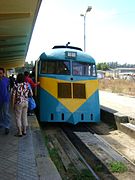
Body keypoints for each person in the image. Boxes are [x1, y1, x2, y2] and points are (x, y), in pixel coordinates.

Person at [0, 68, 11, 135]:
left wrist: (8, 96)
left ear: (3, 73)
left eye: (0, 73)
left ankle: (7, 126)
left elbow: (8, 89)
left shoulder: (6, 80)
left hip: (5, 99)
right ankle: (1, 124)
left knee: (5, 113)